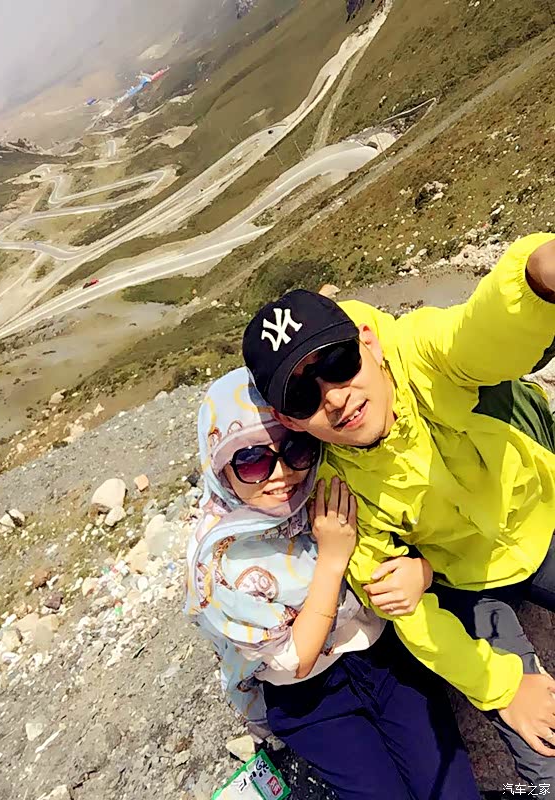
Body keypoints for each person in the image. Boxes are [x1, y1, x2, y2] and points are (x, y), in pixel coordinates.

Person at [242, 232, 555, 788]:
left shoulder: (420, 354)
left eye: (337, 361)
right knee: (545, 757)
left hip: (541, 517)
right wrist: (505, 689)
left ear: (368, 341)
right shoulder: (334, 486)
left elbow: (479, 334)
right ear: (289, 420)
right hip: (467, 582)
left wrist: (533, 279)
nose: (334, 397)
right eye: (304, 396)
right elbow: (406, 611)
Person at [185, 368, 481, 800]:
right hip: (310, 701)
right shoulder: (219, 561)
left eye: (296, 448)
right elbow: (296, 660)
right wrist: (333, 557)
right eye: (252, 460)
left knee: (452, 791)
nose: (282, 474)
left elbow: (414, 532)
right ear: (218, 467)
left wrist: (424, 570)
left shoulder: (331, 480)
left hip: (384, 658)